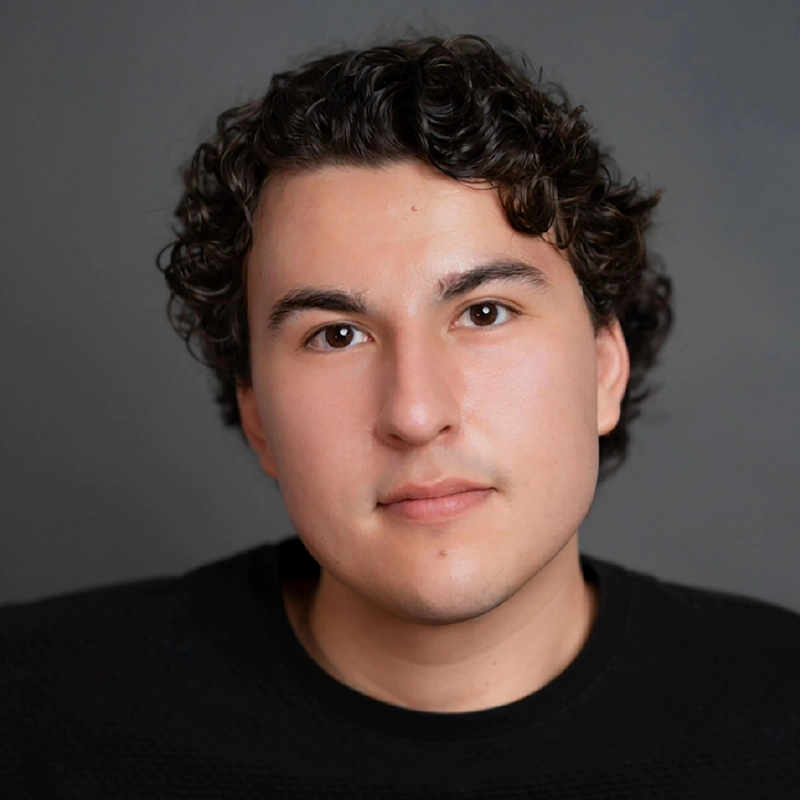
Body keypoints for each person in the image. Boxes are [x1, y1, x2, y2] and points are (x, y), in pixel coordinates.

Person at [2, 34, 798, 798]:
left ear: (602, 368)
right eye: (336, 335)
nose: (415, 414)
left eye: (485, 313)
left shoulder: (777, 711)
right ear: (256, 416)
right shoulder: (33, 712)